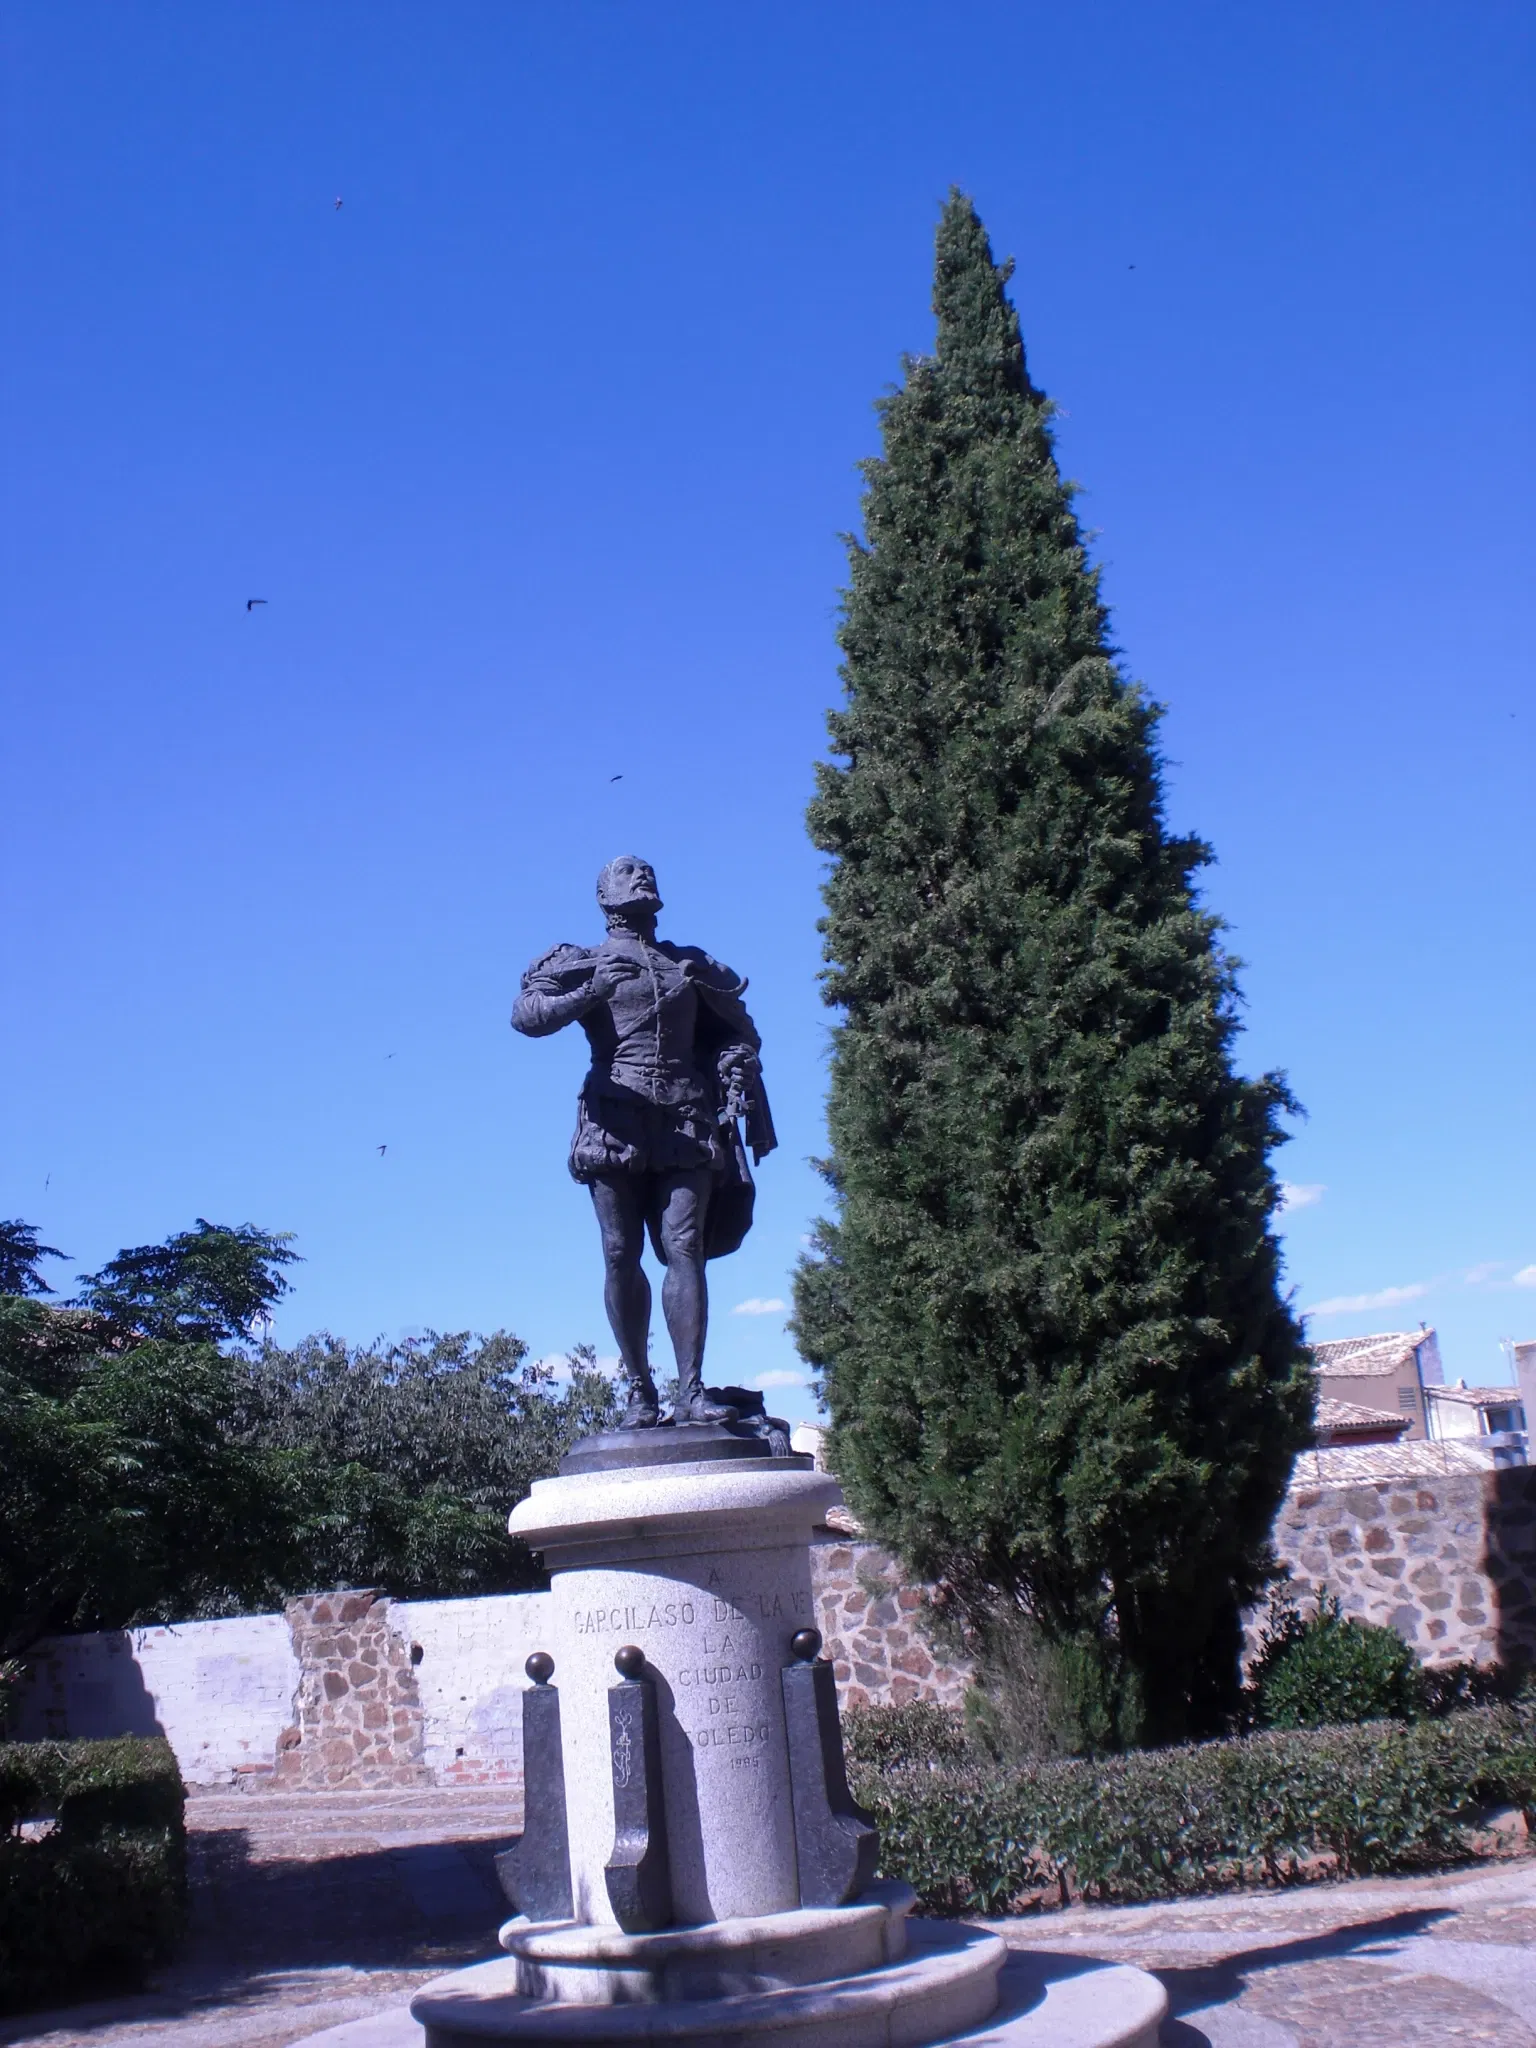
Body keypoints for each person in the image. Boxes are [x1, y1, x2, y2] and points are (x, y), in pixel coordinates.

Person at [512, 856, 776, 1429]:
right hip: (614, 1118)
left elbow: (740, 1032)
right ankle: (639, 1390)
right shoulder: (582, 960)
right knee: (618, 1251)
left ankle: (691, 1389)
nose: (642, 878)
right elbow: (527, 1016)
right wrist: (588, 995)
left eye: (648, 871)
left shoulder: (692, 965)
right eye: (627, 873)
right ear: (604, 896)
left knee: (685, 1248)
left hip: (685, 1117)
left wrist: (734, 1059)